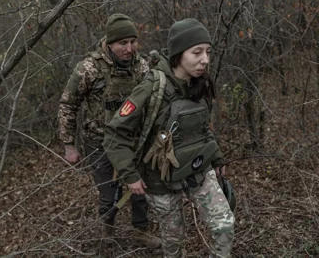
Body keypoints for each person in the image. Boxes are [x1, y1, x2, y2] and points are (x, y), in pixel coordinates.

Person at [104, 18, 235, 258]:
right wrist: (130, 175)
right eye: (197, 52)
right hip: (159, 178)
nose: (205, 59)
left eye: (207, 52)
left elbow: (204, 127)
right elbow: (115, 133)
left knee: (224, 225)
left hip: (198, 168)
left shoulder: (200, 83)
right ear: (178, 53)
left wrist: (216, 158)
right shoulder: (152, 87)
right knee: (173, 242)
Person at [58, 13, 161, 249]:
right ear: (110, 43)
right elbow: (68, 104)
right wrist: (69, 145)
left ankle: (141, 231)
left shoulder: (140, 65)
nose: (129, 48)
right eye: (122, 43)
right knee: (109, 193)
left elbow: (152, 102)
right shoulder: (89, 68)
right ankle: (108, 230)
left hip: (133, 140)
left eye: (133, 42)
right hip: (100, 141)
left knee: (140, 188)